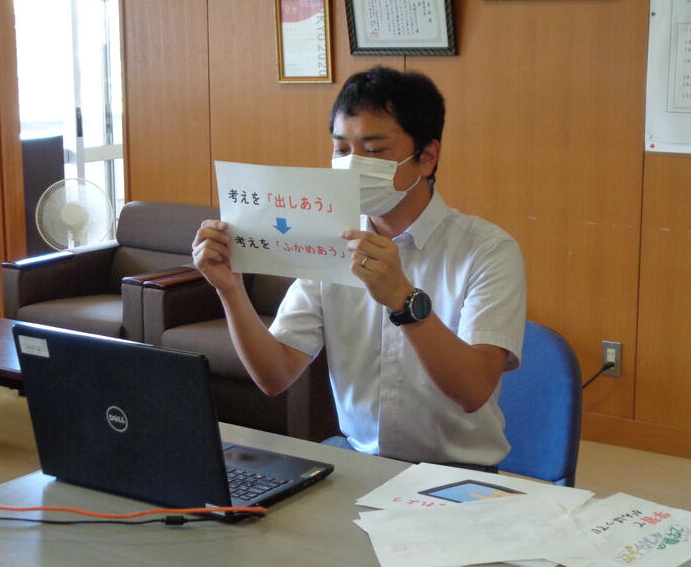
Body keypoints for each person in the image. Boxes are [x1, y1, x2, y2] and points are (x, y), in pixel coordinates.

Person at [192, 66, 525, 468]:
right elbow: (275, 376)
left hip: (458, 473)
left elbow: (473, 391)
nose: (353, 165)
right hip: (362, 463)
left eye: (374, 151)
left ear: (427, 157)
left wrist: (404, 301)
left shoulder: (488, 250)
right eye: (342, 150)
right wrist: (230, 289)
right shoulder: (329, 240)